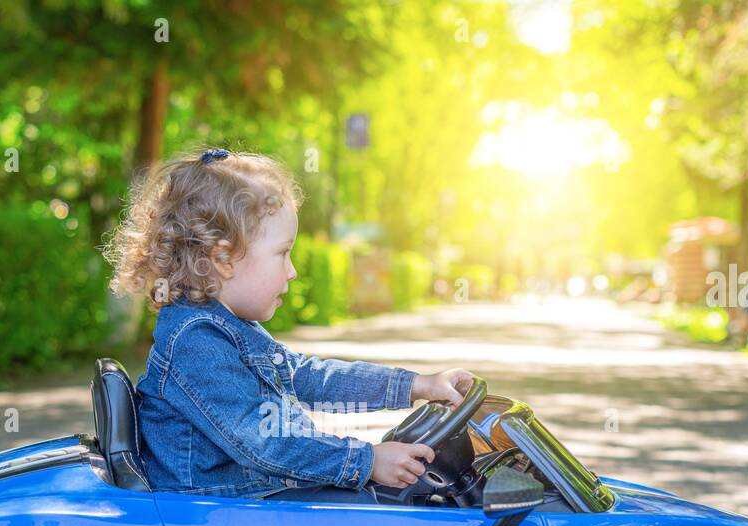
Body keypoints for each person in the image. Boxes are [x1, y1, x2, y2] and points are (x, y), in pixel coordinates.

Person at [103, 147, 473, 502]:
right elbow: (263, 442)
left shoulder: (229, 328)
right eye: (283, 253)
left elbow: (312, 377)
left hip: (256, 503)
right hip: (221, 525)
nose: (293, 271)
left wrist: (417, 385)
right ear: (223, 258)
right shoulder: (195, 343)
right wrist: (367, 460)